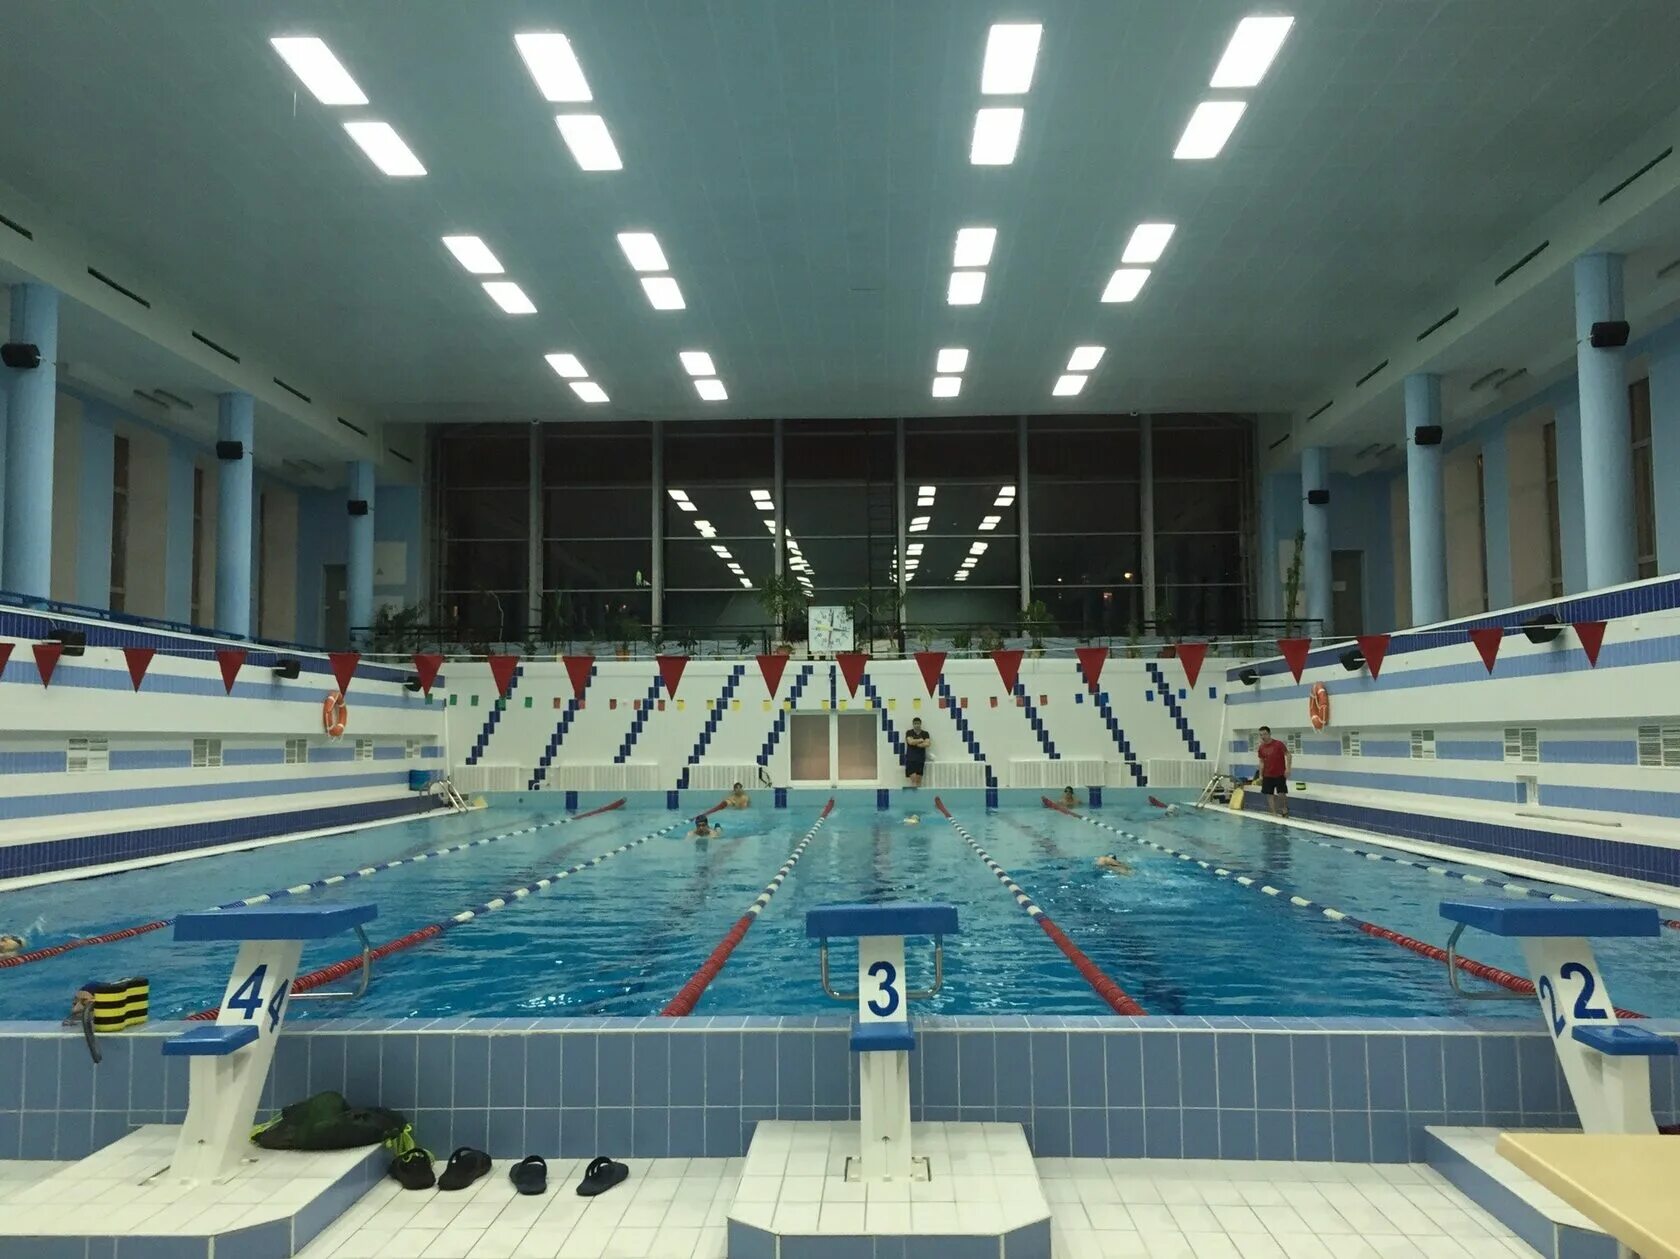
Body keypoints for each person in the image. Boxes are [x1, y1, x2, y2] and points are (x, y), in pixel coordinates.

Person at [1253, 725, 1292, 817]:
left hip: (1279, 774)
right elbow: (1261, 761)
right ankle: (1273, 813)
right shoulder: (1261, 748)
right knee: (1269, 794)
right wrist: (1260, 775)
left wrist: (1288, 769)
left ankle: (1284, 810)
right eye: (1261, 735)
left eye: (1265, 734)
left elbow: (1288, 755)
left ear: (1269, 734)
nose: (1263, 736)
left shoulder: (1278, 744)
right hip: (1267, 775)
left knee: (1281, 793)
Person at [904, 718, 931, 788]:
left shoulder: (925, 733)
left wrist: (915, 743)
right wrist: (920, 740)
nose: (917, 725)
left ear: (920, 724)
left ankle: (918, 794)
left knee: (918, 781)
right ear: (913, 724)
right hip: (911, 759)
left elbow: (927, 744)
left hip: (920, 759)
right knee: (914, 780)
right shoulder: (909, 732)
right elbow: (910, 742)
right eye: (915, 724)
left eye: (918, 723)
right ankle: (913, 794)